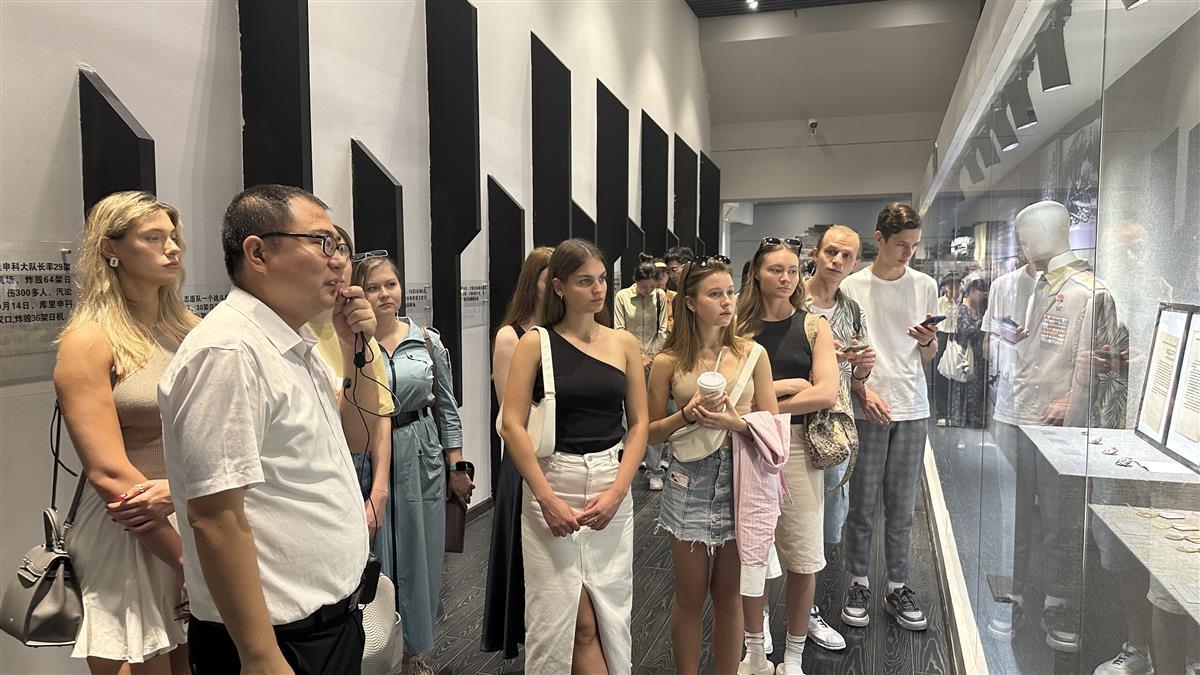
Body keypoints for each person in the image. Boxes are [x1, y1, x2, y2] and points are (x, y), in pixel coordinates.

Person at [159, 184, 373, 673]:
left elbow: (356, 440)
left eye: (341, 246)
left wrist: (354, 347)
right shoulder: (229, 352)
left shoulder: (293, 344)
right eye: (322, 242)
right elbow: (214, 517)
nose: (339, 261)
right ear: (258, 253)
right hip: (276, 644)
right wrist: (260, 657)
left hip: (326, 625)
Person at [54, 191, 196, 674]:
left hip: (186, 512)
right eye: (153, 238)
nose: (171, 248)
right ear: (110, 249)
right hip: (129, 527)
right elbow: (108, 473)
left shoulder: (189, 330)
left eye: (172, 237)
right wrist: (185, 560)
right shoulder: (89, 340)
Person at [500, 239, 648, 674]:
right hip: (553, 481)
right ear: (560, 287)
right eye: (585, 281)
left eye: (601, 279)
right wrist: (545, 498)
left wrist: (618, 491)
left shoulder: (624, 343)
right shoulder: (535, 342)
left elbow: (639, 423)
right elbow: (511, 424)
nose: (598, 289)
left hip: (610, 481)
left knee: (610, 614)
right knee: (560, 618)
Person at [646, 255, 777, 675]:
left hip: (742, 481)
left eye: (730, 292)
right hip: (688, 480)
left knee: (729, 597)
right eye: (715, 294)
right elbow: (650, 433)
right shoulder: (668, 362)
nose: (727, 302)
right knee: (689, 597)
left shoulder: (753, 353)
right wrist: (686, 415)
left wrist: (733, 422)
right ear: (690, 302)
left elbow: (772, 425)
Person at [353, 255, 471, 675]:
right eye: (373, 288)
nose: (384, 294)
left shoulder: (425, 341)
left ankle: (414, 653)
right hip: (368, 456)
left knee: (421, 553)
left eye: (391, 284)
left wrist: (457, 466)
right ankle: (376, 652)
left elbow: (447, 408)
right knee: (375, 554)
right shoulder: (350, 344)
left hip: (421, 452)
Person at [736, 237, 840, 675]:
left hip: (796, 445)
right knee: (750, 552)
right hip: (745, 443)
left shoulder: (814, 326)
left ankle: (793, 655)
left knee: (803, 554)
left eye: (793, 270)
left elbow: (827, 392)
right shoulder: (737, 327)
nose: (785, 278)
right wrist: (782, 388)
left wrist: (760, 402)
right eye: (776, 269)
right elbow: (731, 395)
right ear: (757, 273)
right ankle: (755, 649)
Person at [838, 202, 939, 633]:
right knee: (861, 503)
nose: (908, 253)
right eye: (901, 244)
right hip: (867, 405)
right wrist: (862, 391)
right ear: (878, 239)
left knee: (902, 505)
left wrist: (928, 341)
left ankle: (897, 585)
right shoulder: (852, 287)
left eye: (914, 245)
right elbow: (842, 352)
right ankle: (858, 582)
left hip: (912, 405)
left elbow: (929, 356)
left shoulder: (925, 285)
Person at [801, 224, 876, 652]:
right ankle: (763, 612)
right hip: (789, 423)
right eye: (831, 251)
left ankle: (806, 610)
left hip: (834, 429)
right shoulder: (791, 300)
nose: (837, 261)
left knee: (826, 522)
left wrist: (862, 367)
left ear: (856, 262)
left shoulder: (851, 310)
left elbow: (857, 377)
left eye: (847, 256)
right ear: (816, 252)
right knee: (773, 518)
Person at [482, 245, 553, 659]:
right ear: (535, 281)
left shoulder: (564, 330)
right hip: (525, 453)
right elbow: (510, 413)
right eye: (550, 274)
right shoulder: (511, 335)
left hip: (563, 453)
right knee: (523, 549)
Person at [310, 225, 395, 539]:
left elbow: (378, 418)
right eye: (325, 248)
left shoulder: (360, 334)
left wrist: (379, 491)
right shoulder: (295, 330)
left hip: (356, 472)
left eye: (342, 250)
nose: (336, 261)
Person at [614, 255, 670, 490]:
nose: (648, 291)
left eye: (651, 287)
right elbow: (619, 329)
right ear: (635, 281)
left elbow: (663, 329)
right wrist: (638, 357)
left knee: (655, 416)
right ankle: (626, 468)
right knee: (629, 419)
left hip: (655, 363)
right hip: (630, 362)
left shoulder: (660, 296)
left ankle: (654, 469)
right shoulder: (622, 297)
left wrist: (652, 356)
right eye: (643, 287)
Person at [946, 278, 987, 429]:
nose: (982, 296)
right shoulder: (963, 308)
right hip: (967, 355)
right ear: (973, 291)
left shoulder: (979, 308)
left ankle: (974, 418)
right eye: (981, 292)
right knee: (965, 388)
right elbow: (964, 332)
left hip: (978, 356)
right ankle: (963, 418)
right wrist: (981, 322)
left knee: (976, 390)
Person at [933, 273, 961, 426]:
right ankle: (942, 413)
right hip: (942, 336)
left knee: (957, 374)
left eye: (956, 284)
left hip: (957, 337)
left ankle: (955, 413)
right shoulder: (939, 302)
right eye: (951, 284)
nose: (954, 288)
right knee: (940, 375)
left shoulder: (961, 303)